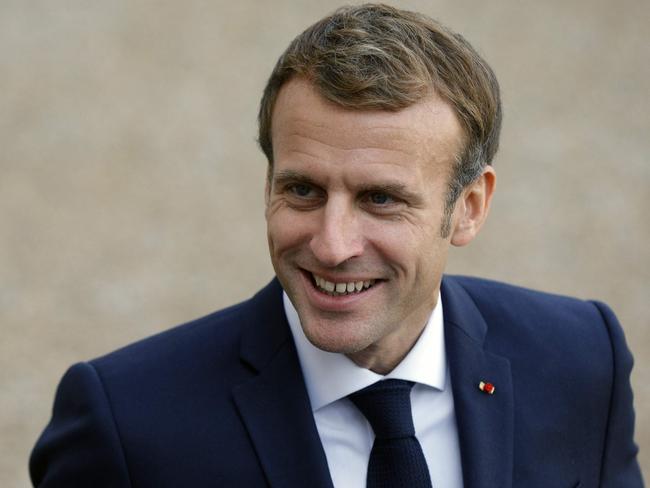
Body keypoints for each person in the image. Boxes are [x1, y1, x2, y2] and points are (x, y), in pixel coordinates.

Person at [30, 4, 643, 487]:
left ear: (469, 208)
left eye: (381, 198)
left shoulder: (582, 360)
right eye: (302, 190)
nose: (331, 244)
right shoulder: (125, 423)